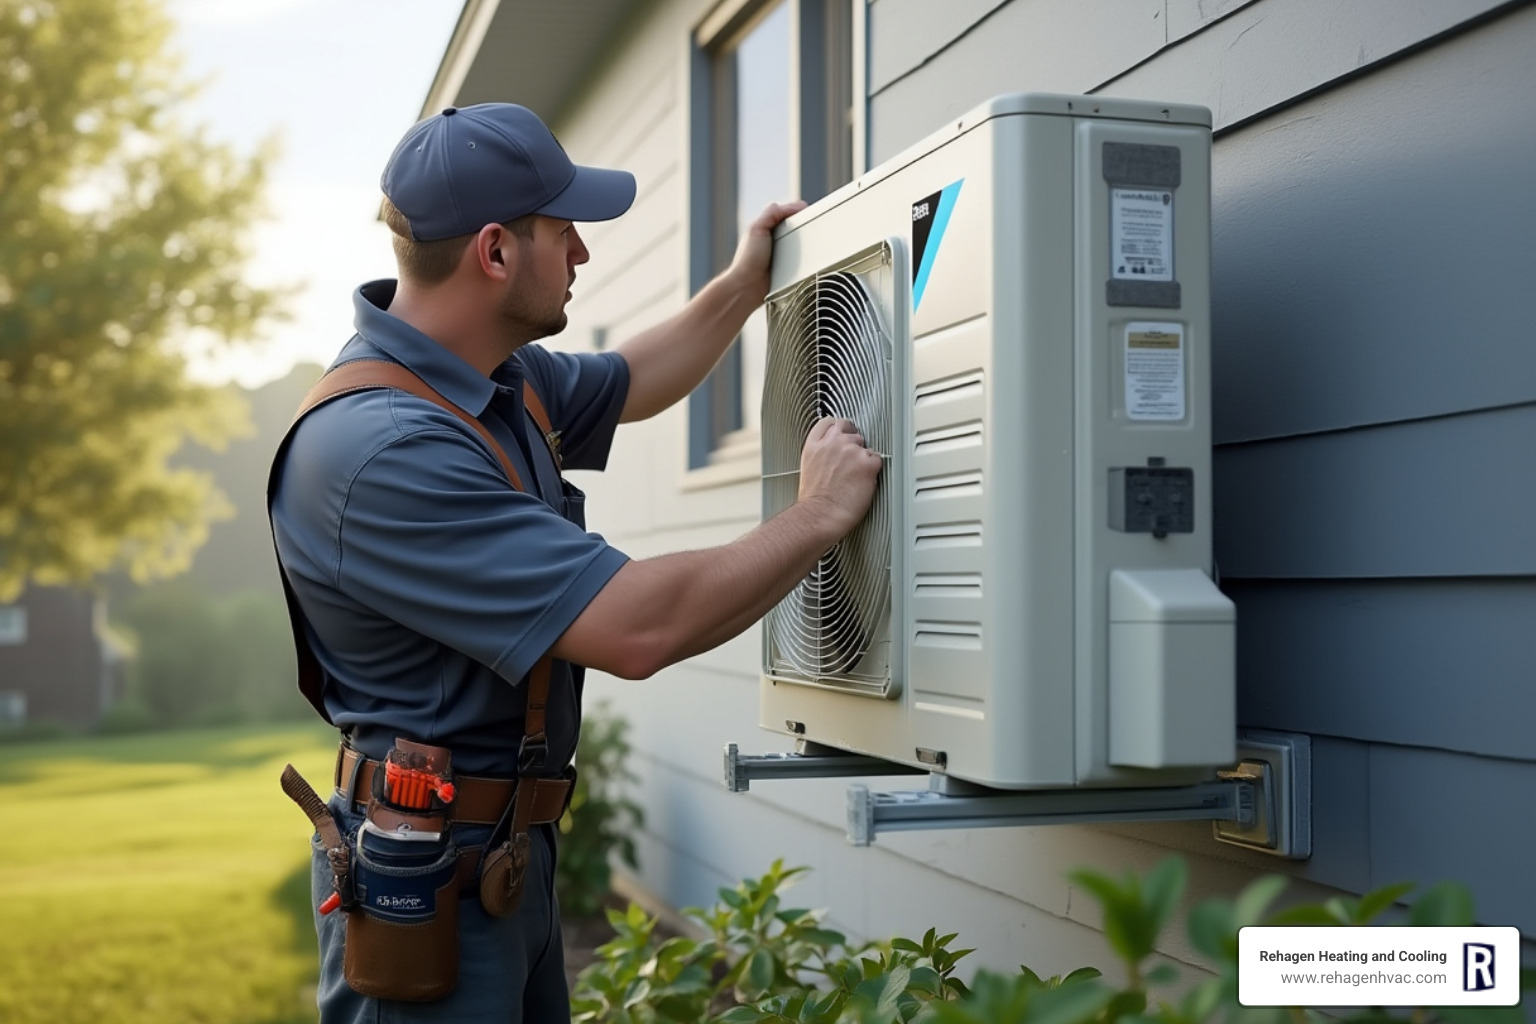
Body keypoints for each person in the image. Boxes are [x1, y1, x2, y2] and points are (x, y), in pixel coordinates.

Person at [267, 102, 881, 1023]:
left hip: (504, 858)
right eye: (566, 231)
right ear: (495, 252)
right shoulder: (383, 451)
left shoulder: (492, 378)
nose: (584, 254)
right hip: (426, 884)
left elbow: (632, 377)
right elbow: (640, 625)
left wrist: (746, 285)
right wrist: (821, 513)